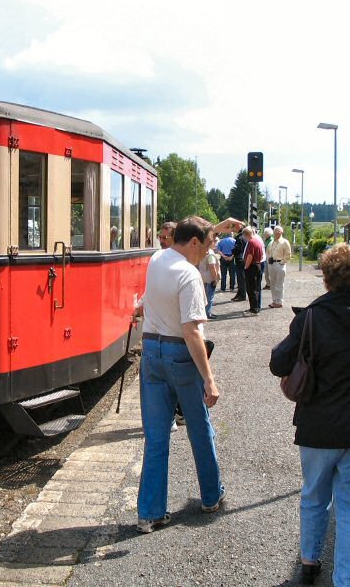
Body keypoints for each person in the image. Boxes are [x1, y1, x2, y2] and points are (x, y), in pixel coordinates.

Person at [270, 244, 350, 586]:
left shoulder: (311, 317)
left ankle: (310, 561)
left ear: (325, 278)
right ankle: (347, 580)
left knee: (314, 495)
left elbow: (278, 363)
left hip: (318, 428)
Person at [136, 216, 224, 533]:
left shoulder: (158, 258)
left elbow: (150, 301)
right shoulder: (189, 275)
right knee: (199, 428)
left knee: (156, 437)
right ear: (195, 242)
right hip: (178, 355)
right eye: (209, 243)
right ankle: (211, 497)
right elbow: (191, 332)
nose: (209, 250)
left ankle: (150, 513)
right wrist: (210, 379)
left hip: (151, 353)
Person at [268, 225, 292, 309]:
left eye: (278, 231)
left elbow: (288, 254)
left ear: (281, 232)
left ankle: (279, 301)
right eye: (275, 231)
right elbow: (268, 252)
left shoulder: (285, 242)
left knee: (279, 284)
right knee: (273, 284)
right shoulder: (272, 242)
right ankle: (274, 300)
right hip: (272, 264)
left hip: (279, 264)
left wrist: (282, 262)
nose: (276, 232)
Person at [242, 226, 264, 316]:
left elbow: (250, 256)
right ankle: (255, 307)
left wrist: (246, 267)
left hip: (252, 267)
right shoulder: (258, 241)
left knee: (251, 289)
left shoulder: (251, 242)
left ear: (246, 234)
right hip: (258, 265)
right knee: (256, 287)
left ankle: (254, 310)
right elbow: (262, 255)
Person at [198, 234, 220, 320]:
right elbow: (212, 267)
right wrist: (215, 278)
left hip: (202, 276)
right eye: (214, 241)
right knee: (210, 296)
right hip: (209, 278)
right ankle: (208, 313)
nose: (215, 243)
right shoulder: (211, 254)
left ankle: (204, 312)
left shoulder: (203, 251)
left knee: (204, 296)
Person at [231, 230, 247, 302]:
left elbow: (238, 249)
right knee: (240, 278)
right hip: (241, 259)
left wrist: (233, 250)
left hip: (240, 260)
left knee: (241, 279)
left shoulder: (239, 238)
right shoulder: (244, 238)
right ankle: (240, 293)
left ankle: (242, 295)